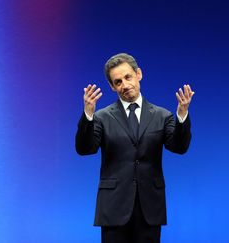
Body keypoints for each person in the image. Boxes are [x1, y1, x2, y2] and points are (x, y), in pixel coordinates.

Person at [75, 53, 194, 243]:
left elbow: (179, 147)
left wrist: (182, 114)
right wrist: (88, 113)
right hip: (113, 207)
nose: (125, 85)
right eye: (118, 81)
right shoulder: (102, 117)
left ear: (139, 74)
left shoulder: (162, 116)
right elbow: (84, 148)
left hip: (150, 207)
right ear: (112, 86)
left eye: (128, 77)